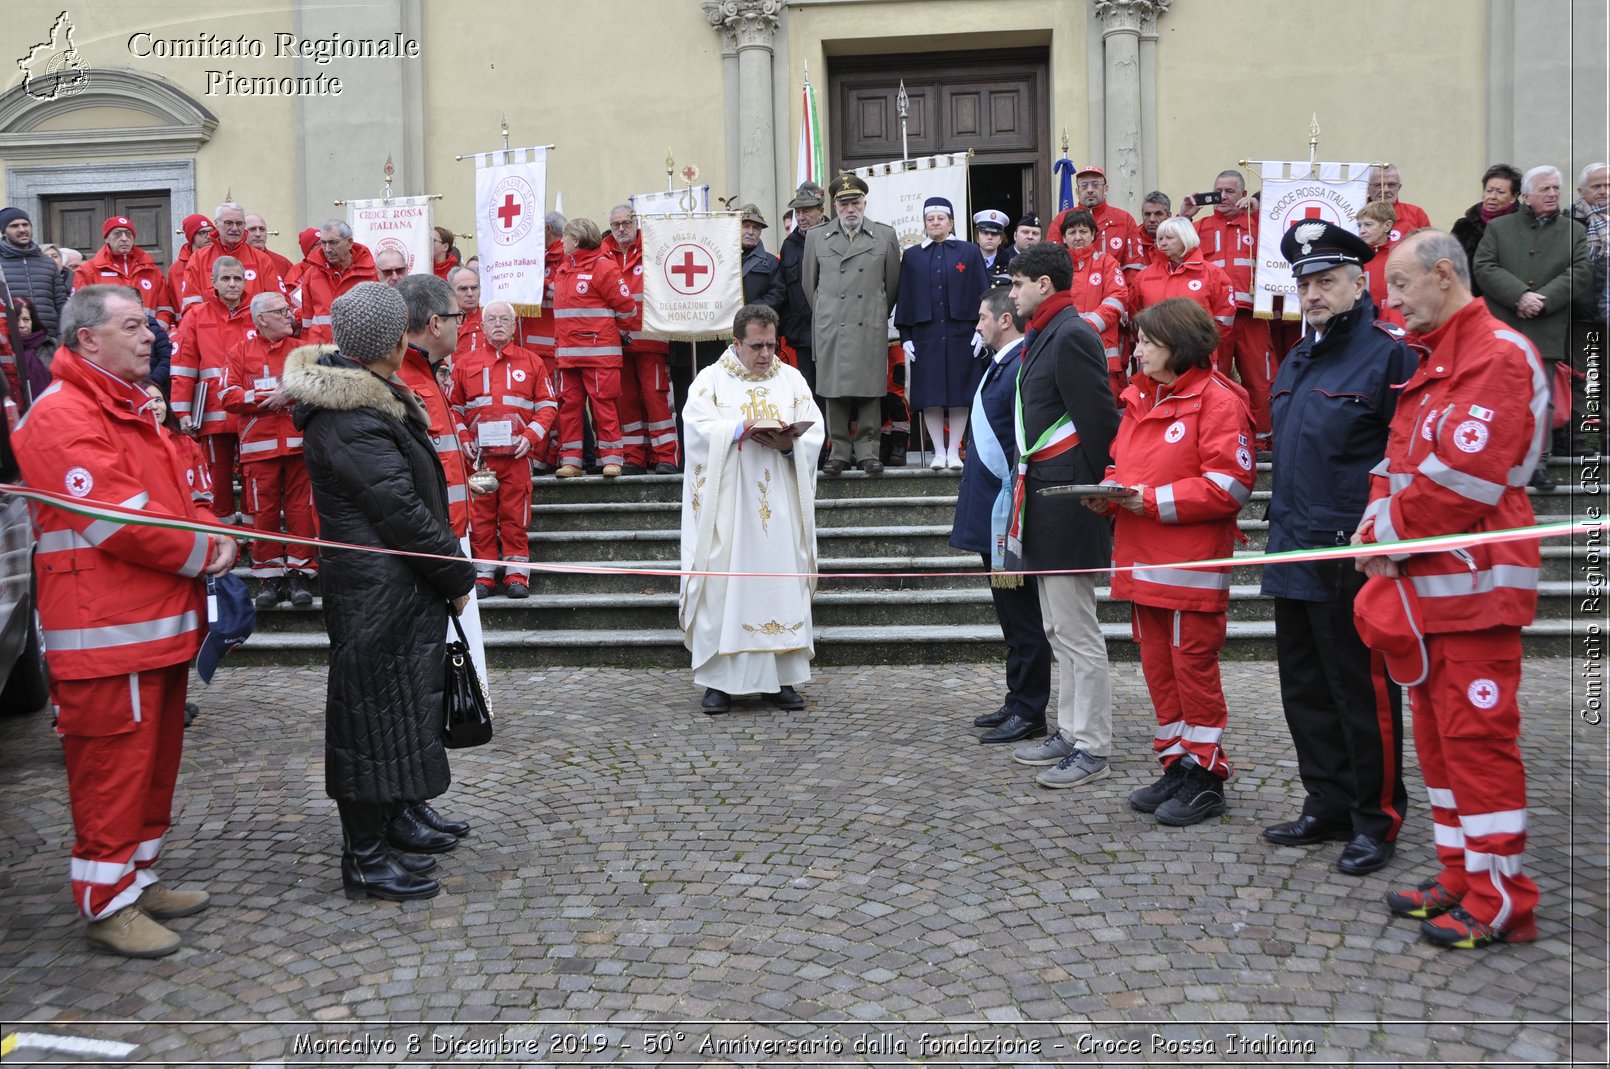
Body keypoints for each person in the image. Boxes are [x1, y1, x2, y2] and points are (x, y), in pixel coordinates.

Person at [13, 285, 238, 956]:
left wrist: (210, 530)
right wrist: (208, 551)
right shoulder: (60, 416)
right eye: (135, 326)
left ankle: (136, 878)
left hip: (155, 627)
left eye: (150, 326)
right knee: (112, 771)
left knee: (152, 767)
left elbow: (180, 493)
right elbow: (125, 521)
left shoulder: (131, 408)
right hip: (105, 636)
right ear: (88, 338)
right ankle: (106, 902)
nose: (152, 338)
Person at [1358, 229, 1547, 949]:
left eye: (1401, 286)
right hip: (1427, 593)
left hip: (1474, 595)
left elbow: (1462, 482)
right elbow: (1395, 464)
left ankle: (1502, 897)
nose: (1393, 302)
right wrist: (1375, 520)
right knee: (1439, 747)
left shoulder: (1496, 355)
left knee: (1478, 745)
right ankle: (1460, 872)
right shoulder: (1435, 363)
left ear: (1444, 274)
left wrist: (1382, 537)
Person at [283, 282, 477, 902]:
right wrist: (456, 571)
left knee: (399, 710)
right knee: (367, 719)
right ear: (392, 341)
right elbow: (397, 509)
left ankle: (395, 822)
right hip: (376, 590)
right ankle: (364, 858)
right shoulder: (349, 417)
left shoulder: (370, 400)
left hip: (397, 587)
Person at [1261, 221, 1413, 874]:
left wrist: (1381, 537)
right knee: (1305, 686)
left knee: (1363, 691)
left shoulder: (1389, 356)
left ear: (1360, 283)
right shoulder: (1297, 356)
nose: (1314, 293)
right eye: (1305, 283)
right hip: (1292, 546)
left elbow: (1404, 458)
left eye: (1327, 281)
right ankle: (1325, 800)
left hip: (1352, 554)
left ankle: (1375, 819)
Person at [1089, 298, 1252, 824]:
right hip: (1141, 558)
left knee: (1193, 671)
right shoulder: (1139, 397)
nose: (1135, 350)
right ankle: (1177, 766)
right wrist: (1109, 491)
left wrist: (1150, 501)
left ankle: (1207, 776)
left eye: (1146, 342)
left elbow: (1229, 485)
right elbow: (1127, 463)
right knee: (1160, 671)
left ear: (1178, 348)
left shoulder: (1219, 400)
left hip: (1189, 563)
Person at [1002, 243, 1120, 789]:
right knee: (1056, 626)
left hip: (1072, 497)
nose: (1012, 292)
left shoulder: (1072, 332)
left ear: (1044, 284)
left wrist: (1100, 492)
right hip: (1047, 494)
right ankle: (1071, 731)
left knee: (1076, 629)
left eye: (1019, 283)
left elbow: (1098, 416)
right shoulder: (1043, 332)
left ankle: (1092, 742)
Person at [679, 303, 825, 713]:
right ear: (736, 342)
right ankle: (719, 683)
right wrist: (737, 430)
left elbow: (813, 430)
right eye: (756, 346)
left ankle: (780, 680)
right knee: (726, 587)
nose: (765, 355)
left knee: (778, 585)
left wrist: (790, 444)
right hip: (728, 510)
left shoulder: (791, 379)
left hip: (778, 506)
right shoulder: (710, 382)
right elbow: (696, 431)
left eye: (771, 345)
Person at [393, 273, 484, 852]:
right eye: (456, 316)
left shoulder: (424, 374)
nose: (462, 324)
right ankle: (402, 804)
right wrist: (444, 559)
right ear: (433, 324)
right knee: (410, 690)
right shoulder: (403, 381)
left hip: (442, 548)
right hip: (425, 556)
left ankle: (415, 799)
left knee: (424, 689)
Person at [952, 287, 1051, 744]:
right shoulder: (1000, 365)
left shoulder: (1019, 365)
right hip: (989, 507)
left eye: (981, 317)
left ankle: (1031, 710)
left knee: (1023, 617)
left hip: (1008, 513)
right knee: (1009, 617)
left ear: (1004, 321)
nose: (977, 324)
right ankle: (1016, 699)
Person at [1474, 164, 1590, 488]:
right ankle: (1496, 459)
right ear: (1525, 196)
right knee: (1500, 395)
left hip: (1547, 327)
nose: (1553, 194)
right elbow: (1483, 266)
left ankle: (1537, 463)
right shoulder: (1499, 228)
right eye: (1545, 189)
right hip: (1505, 326)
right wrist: (1519, 295)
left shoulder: (1574, 231)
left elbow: (1580, 271)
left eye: (1556, 188)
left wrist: (1543, 299)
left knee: (1542, 398)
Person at [451, 300, 557, 599]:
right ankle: (484, 574)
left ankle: (516, 575)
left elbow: (547, 405)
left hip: (517, 457)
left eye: (504, 319)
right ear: (482, 326)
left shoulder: (532, 362)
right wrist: (464, 438)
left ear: (513, 326)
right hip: (480, 460)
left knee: (515, 515)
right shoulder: (466, 363)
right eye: (492, 319)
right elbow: (453, 408)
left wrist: (531, 436)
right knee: (482, 515)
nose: (498, 324)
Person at [220, 290, 318, 609]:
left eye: (289, 309)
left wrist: (287, 394)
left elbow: (318, 383)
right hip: (259, 449)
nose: (290, 315)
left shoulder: (302, 350)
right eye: (281, 311)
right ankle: (268, 576)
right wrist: (265, 398)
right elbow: (228, 396)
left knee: (301, 511)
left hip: (299, 445)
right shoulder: (239, 352)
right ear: (261, 319)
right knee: (262, 513)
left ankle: (301, 573)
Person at [802, 173, 902, 475]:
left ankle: (869, 451)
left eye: (855, 202)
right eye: (844, 204)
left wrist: (874, 312)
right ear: (834, 205)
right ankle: (840, 451)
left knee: (871, 390)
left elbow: (892, 286)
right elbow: (810, 285)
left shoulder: (884, 236)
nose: (850, 209)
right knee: (834, 390)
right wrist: (826, 312)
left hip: (868, 322)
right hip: (833, 324)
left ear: (864, 203)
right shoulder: (817, 237)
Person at [1183, 170, 1278, 442]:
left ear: (1244, 195)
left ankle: (1262, 441)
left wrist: (1261, 210)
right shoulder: (1199, 228)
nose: (1223, 197)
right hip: (1213, 321)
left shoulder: (1259, 224)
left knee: (1260, 379)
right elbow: (1170, 248)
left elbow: (1284, 231)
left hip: (1253, 317)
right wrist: (1186, 215)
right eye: (1218, 191)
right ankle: (1216, 437)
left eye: (1230, 191)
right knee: (1212, 379)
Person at [896, 196, 988, 469]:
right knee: (932, 395)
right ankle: (938, 451)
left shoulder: (969, 252)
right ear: (924, 223)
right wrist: (906, 336)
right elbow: (906, 297)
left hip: (962, 332)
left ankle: (954, 450)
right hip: (926, 335)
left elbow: (983, 292)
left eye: (941, 218)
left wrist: (982, 329)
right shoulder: (912, 256)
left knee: (960, 393)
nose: (935, 223)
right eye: (930, 219)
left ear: (951, 221)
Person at [171, 257, 255, 522]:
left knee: (252, 475)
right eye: (226, 279)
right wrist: (182, 411)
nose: (232, 284)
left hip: (250, 410)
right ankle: (225, 533)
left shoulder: (257, 312)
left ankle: (253, 536)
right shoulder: (196, 316)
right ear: (213, 282)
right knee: (217, 478)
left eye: (237, 278)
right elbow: (183, 365)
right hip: (213, 412)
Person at [552, 217, 633, 478]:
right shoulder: (565, 268)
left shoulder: (603, 267)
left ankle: (612, 459)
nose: (561, 241)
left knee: (604, 407)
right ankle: (571, 461)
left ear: (576, 240)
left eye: (565, 237)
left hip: (599, 354)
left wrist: (610, 333)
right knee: (569, 408)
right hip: (567, 355)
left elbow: (627, 309)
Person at [601, 204, 678, 475]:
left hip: (650, 341)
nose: (621, 229)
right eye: (615, 224)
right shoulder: (603, 255)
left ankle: (666, 455)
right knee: (627, 401)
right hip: (617, 344)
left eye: (626, 222)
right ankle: (634, 456)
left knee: (655, 398)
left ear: (636, 223)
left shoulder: (654, 250)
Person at [1125, 217, 1235, 348]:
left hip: (1198, 351)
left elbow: (1224, 317)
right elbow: (1135, 316)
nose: (1163, 243)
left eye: (1169, 238)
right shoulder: (1143, 276)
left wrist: (1205, 345)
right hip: (1156, 352)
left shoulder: (1212, 273)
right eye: (1160, 239)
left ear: (1185, 238)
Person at [1059, 209, 1129, 402]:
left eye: (1083, 231)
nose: (1078, 237)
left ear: (1093, 235)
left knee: (1105, 416)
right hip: (1065, 352)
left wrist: (1086, 327)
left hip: (1102, 356)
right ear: (1064, 238)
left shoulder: (1107, 263)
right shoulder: (1057, 267)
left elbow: (1118, 298)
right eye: (1072, 232)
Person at [180, 202, 285, 314]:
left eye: (239, 223)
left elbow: (277, 301)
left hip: (252, 328)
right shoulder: (198, 259)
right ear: (217, 224)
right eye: (228, 223)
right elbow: (191, 305)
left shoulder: (262, 259)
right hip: (211, 328)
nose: (235, 228)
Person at [74, 216, 177, 328]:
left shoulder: (152, 270)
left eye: (128, 234)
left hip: (148, 338)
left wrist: (156, 331)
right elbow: (82, 310)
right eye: (117, 234)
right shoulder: (89, 271)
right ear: (106, 238)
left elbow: (165, 309)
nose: (124, 238)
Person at [778, 182, 827, 393]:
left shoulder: (836, 237)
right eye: (797, 211)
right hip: (802, 335)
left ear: (821, 211)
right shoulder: (789, 245)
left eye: (806, 210)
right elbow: (784, 290)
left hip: (832, 332)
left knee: (833, 391)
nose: (801, 217)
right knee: (807, 390)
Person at [297, 220, 379, 343]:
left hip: (358, 348)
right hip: (321, 350)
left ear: (349, 242)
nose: (328, 249)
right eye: (323, 243)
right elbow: (307, 321)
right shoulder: (311, 273)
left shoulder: (369, 272)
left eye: (333, 242)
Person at [1057, 166, 1145, 278]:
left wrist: (1121, 294)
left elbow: (1133, 268)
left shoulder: (1124, 220)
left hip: (1116, 290)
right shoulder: (1061, 220)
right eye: (1084, 185)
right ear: (1076, 191)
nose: (1089, 190)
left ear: (1106, 189)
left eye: (1095, 184)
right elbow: (1053, 264)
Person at [1450, 164, 1523, 295]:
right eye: (1489, 191)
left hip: (1511, 299)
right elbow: (1452, 265)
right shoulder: (1464, 226)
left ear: (1514, 196)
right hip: (1471, 300)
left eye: (1500, 192)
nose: (1492, 197)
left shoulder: (1524, 225)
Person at [0, 207, 70, 337]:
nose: (22, 229)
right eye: (14, 226)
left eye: (25, 224)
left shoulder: (48, 263)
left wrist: (62, 337)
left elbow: (61, 304)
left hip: (47, 341)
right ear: (4, 231)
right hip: (10, 341)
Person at [1355, 201, 1404, 328]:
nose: (1362, 231)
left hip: (1394, 325)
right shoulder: (1356, 258)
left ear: (1387, 226)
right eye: (1359, 226)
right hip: (1363, 325)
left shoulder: (1400, 256)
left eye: (1368, 225)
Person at [739, 204, 786, 310]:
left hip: (758, 322)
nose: (750, 232)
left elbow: (777, 295)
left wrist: (750, 310)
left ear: (760, 232)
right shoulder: (723, 260)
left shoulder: (772, 262)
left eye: (755, 228)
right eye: (746, 226)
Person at [1367, 165, 1432, 242]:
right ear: (1368, 188)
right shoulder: (1354, 211)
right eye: (1378, 185)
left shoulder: (1416, 213)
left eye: (1391, 185)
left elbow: (1429, 248)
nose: (1385, 190)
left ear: (1399, 187)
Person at [169, 214, 213, 301]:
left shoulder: (221, 260)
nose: (209, 236)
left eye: (211, 231)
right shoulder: (176, 269)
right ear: (191, 236)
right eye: (202, 233)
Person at [1572, 161, 1609, 261]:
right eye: (1596, 186)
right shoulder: (1570, 221)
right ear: (1581, 191)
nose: (1603, 191)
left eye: (1608, 186)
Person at [448, 265, 484, 356]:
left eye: (474, 288)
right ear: (451, 291)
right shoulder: (442, 321)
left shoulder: (490, 321)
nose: (470, 293)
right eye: (463, 289)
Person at [245, 213, 293, 278]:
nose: (258, 234)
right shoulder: (235, 260)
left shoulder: (283, 264)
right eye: (252, 229)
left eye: (262, 229)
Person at [1137, 192, 1173, 270]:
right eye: (1147, 214)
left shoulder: (1178, 240)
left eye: (1158, 214)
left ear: (1168, 216)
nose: (1152, 219)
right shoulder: (1133, 240)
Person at [973, 208, 1014, 275]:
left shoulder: (1011, 265)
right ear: (977, 236)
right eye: (985, 233)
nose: (990, 237)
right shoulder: (967, 261)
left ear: (1001, 238)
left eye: (995, 234)